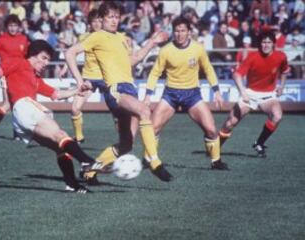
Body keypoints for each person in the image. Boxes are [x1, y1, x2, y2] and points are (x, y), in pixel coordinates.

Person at [0, 39, 105, 193]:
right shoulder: (19, 62)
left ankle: (72, 184)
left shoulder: (35, 78)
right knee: (61, 135)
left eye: (48, 60)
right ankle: (86, 161)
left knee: (60, 147)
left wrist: (76, 91)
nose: (46, 63)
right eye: (44, 58)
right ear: (33, 55)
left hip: (22, 117)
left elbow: (56, 94)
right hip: (24, 107)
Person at [65, 1, 173, 184]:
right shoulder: (97, 36)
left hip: (129, 89)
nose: (114, 20)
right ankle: (154, 162)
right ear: (102, 19)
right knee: (145, 111)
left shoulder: (122, 38)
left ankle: (90, 171)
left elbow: (134, 60)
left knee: (126, 145)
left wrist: (152, 42)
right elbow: (70, 53)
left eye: (117, 16)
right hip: (116, 90)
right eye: (110, 17)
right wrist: (79, 80)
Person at [143, 17, 228, 170]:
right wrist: (148, 95)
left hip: (192, 95)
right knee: (153, 128)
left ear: (189, 32)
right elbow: (155, 73)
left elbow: (208, 69)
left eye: (183, 31)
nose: (180, 34)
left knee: (211, 129)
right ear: (173, 32)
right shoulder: (166, 50)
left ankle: (216, 161)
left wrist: (217, 91)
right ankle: (147, 158)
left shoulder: (198, 49)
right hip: (171, 94)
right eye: (177, 31)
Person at [218, 31, 290, 157]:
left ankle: (259, 143)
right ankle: (215, 147)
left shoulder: (281, 56)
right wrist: (243, 92)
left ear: (273, 44)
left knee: (277, 116)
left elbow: (284, 71)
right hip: (250, 93)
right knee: (230, 123)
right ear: (259, 43)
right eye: (263, 42)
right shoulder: (252, 56)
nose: (266, 45)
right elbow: (237, 74)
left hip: (268, 96)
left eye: (269, 42)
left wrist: (282, 86)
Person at [0, 14, 29, 141]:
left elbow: (26, 57)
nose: (13, 28)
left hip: (21, 75)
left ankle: (16, 133)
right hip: (7, 74)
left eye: (15, 25)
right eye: (10, 25)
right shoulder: (0, 40)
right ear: (6, 27)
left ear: (19, 26)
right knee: (8, 103)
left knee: (18, 103)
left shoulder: (24, 39)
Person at [70, 9, 105, 144]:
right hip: (89, 79)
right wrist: (63, 68)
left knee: (117, 112)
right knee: (75, 108)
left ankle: (124, 140)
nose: (97, 24)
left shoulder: (109, 37)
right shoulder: (84, 37)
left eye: (99, 21)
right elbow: (73, 52)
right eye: (94, 21)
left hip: (106, 79)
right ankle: (79, 137)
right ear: (89, 23)